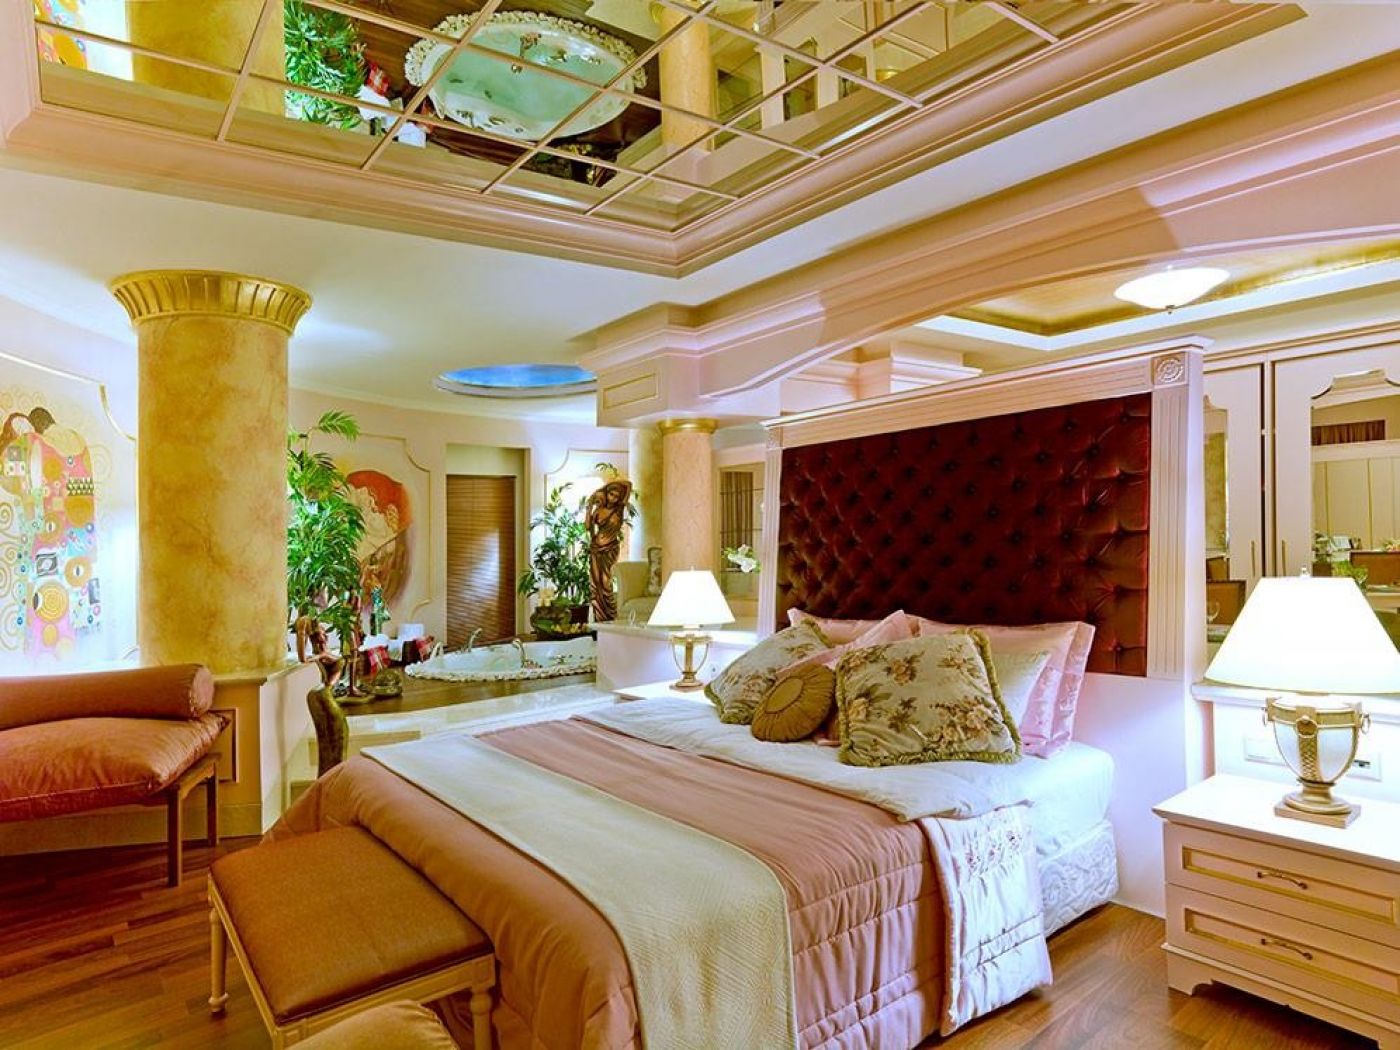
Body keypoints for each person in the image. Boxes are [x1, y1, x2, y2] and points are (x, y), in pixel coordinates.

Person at [585, 479, 631, 623]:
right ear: (607, 494)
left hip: (610, 548)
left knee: (605, 581)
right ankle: (599, 619)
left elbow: (628, 484)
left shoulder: (619, 509)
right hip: (596, 549)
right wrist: (589, 507)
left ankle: (610, 615)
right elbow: (588, 527)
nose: (613, 498)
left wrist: (601, 489)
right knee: (595, 583)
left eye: (616, 496)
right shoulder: (598, 511)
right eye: (611, 494)